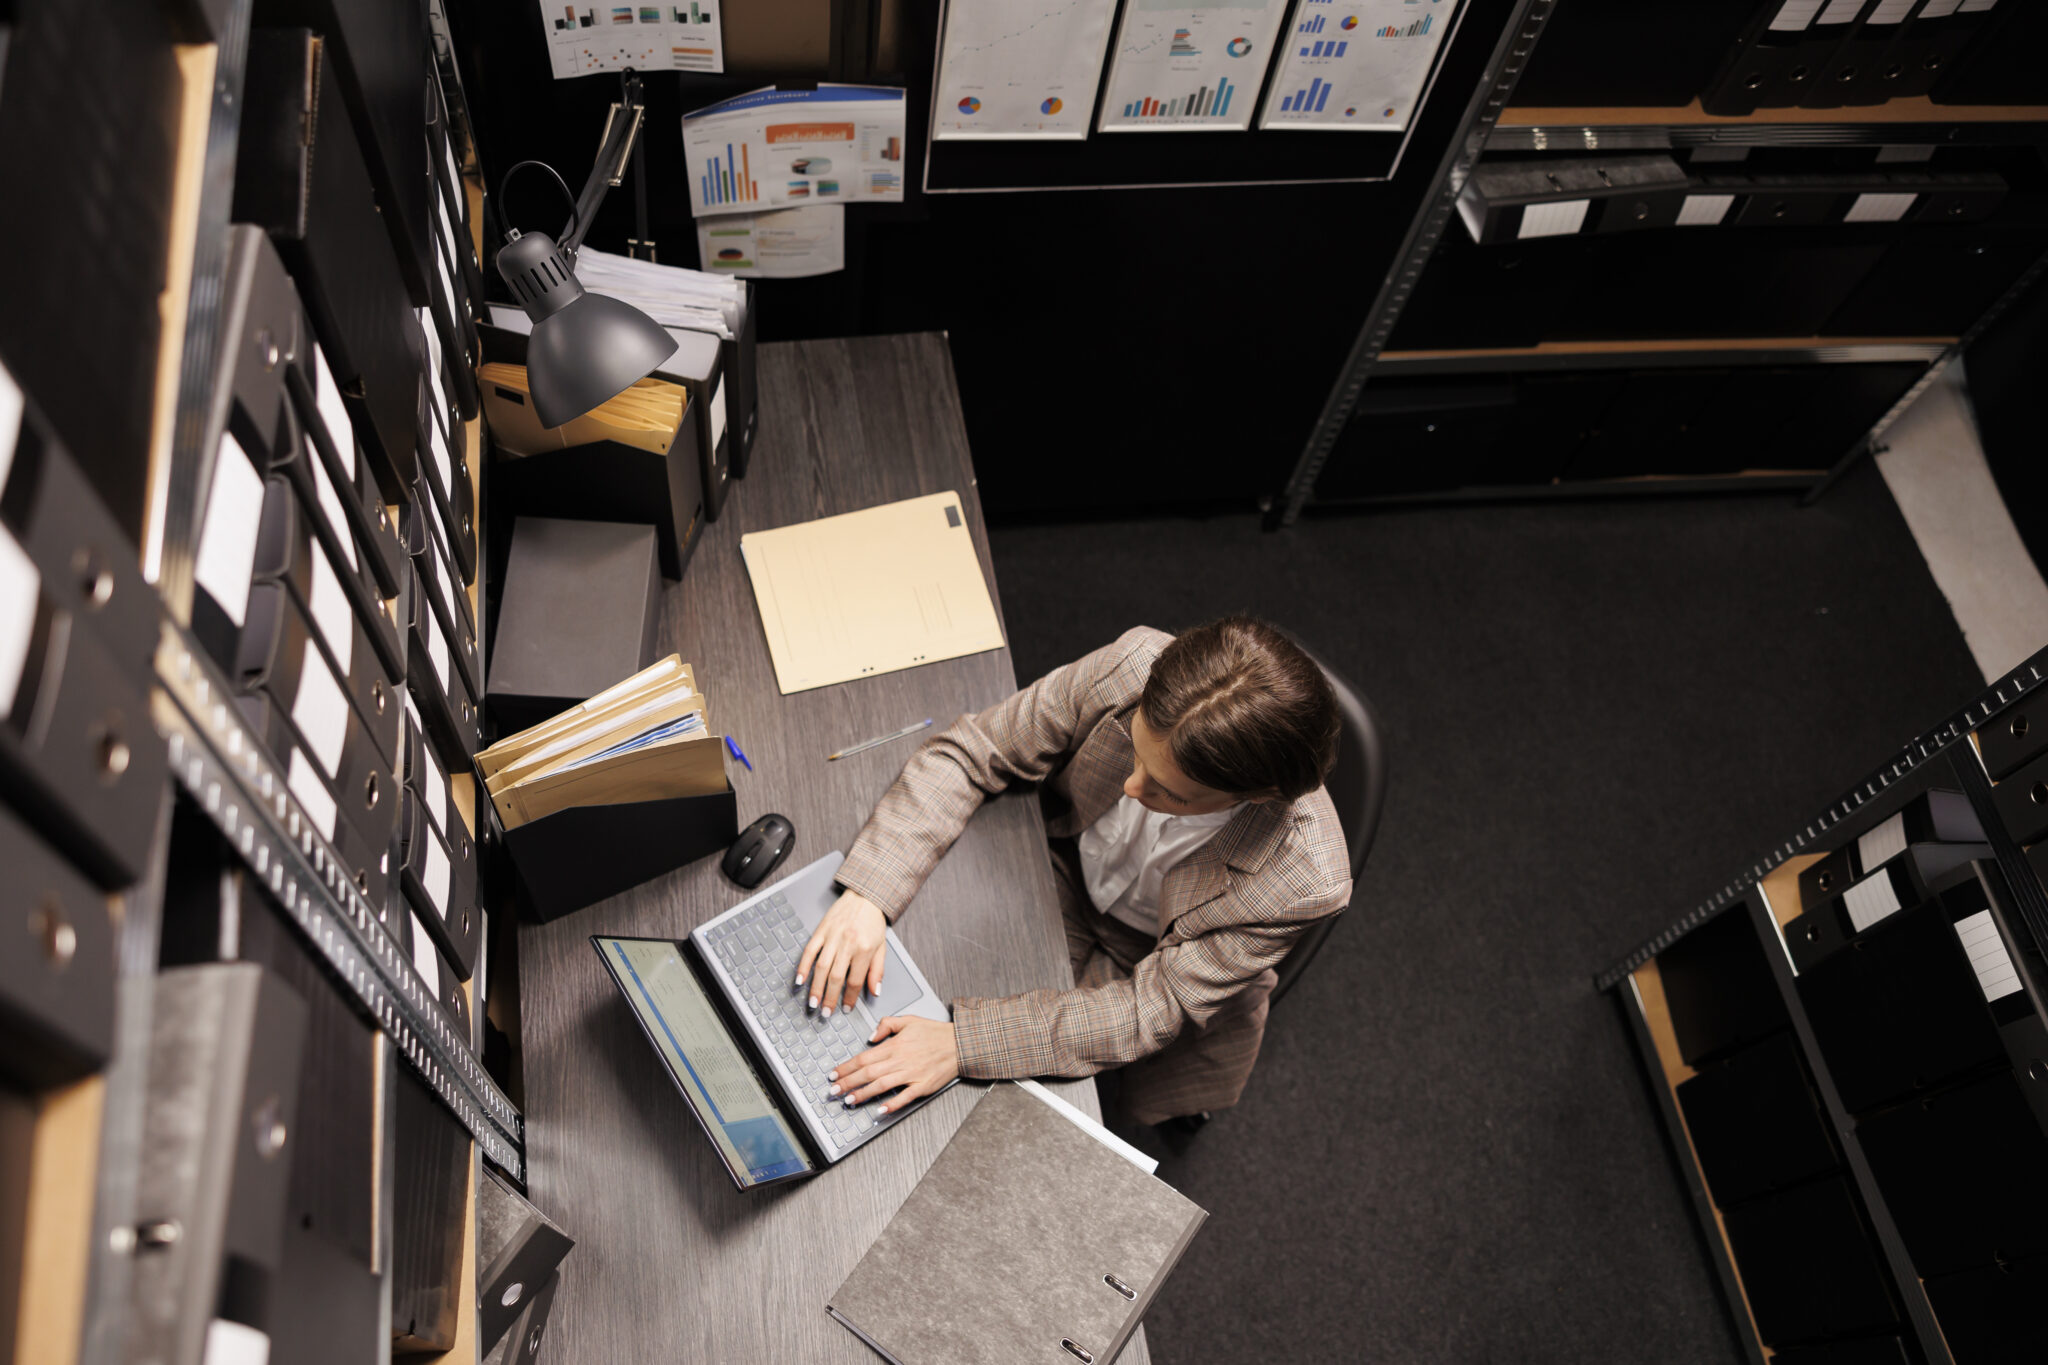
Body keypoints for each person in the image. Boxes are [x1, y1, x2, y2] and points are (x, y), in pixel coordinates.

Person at [796, 615, 1354, 1126]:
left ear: (1256, 797)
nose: (1133, 790)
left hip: (1153, 959)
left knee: (1007, 1121)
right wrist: (869, 894)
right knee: (911, 983)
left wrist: (963, 1044)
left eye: (1170, 794)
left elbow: (1150, 1008)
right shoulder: (1131, 666)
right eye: (1136, 756)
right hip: (1056, 870)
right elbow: (976, 749)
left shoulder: (1304, 880)